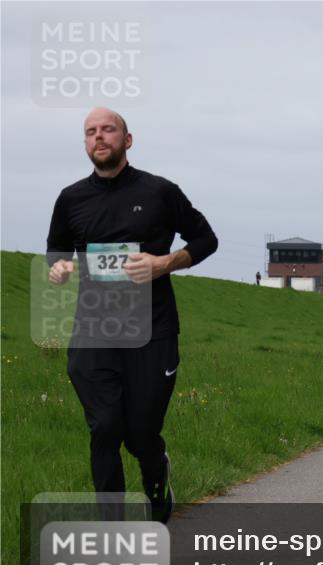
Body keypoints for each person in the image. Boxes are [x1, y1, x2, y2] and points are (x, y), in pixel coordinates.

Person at [46, 108, 218, 523]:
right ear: (85, 143)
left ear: (128, 139)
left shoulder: (160, 191)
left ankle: (157, 478)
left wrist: (164, 263)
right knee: (104, 428)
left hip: (152, 332)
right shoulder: (71, 199)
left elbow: (206, 238)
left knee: (141, 435)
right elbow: (57, 252)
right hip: (94, 331)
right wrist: (59, 269)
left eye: (108, 130)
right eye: (91, 132)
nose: (99, 137)